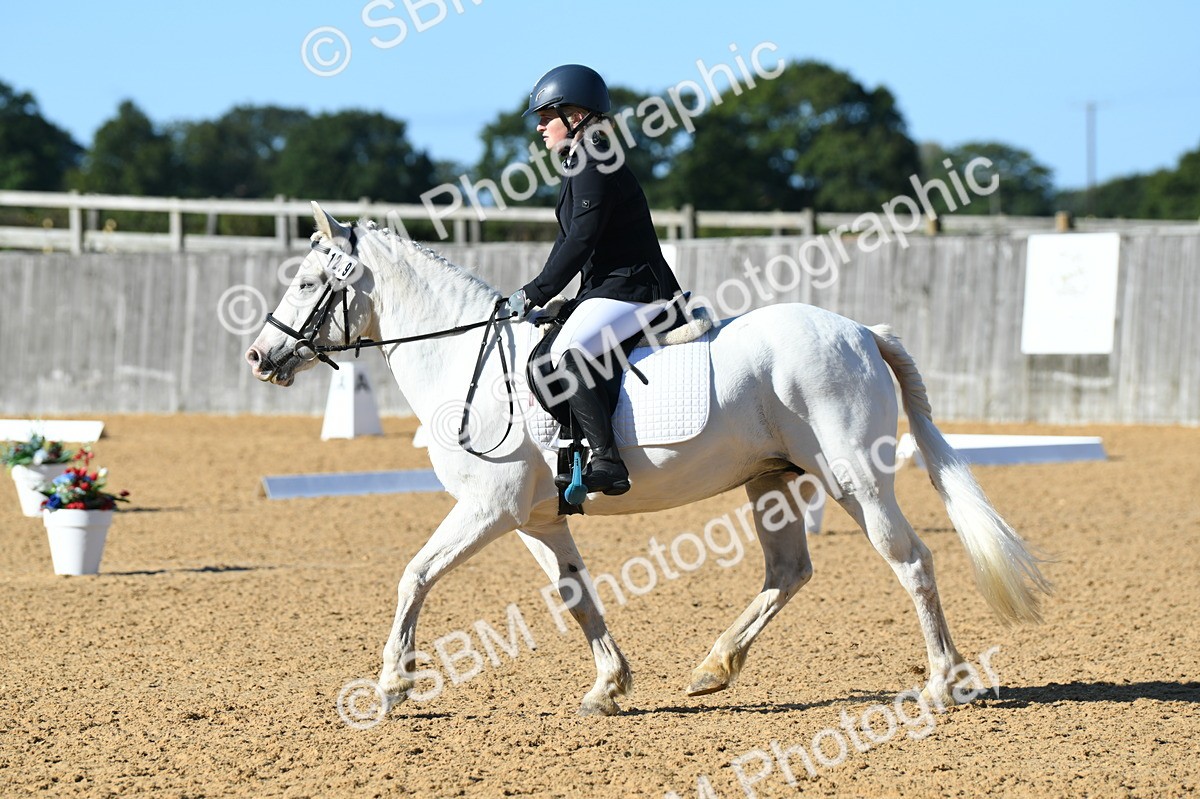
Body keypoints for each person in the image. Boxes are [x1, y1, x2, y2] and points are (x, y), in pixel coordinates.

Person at [507, 64, 683, 497]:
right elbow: (572, 242)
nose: (541, 127)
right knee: (541, 360)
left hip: (637, 290)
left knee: (568, 352)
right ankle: (577, 452)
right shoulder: (578, 163)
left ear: (578, 115)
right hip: (610, 289)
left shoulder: (594, 158)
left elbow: (581, 240)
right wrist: (560, 299)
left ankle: (608, 461)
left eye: (548, 116)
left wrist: (535, 291)